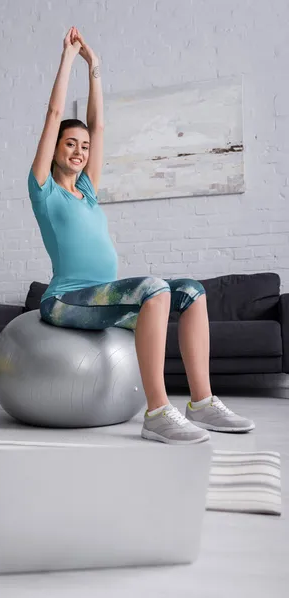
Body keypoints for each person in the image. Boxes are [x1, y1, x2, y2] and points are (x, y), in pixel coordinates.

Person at [27, 26, 255, 444]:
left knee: (190, 290)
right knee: (153, 287)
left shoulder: (89, 191)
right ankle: (157, 411)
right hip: (64, 301)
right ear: (55, 149)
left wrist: (94, 69)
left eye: (84, 146)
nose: (79, 150)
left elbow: (98, 126)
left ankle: (201, 402)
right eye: (70, 144)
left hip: (102, 295)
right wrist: (67, 59)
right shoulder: (44, 190)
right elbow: (54, 112)